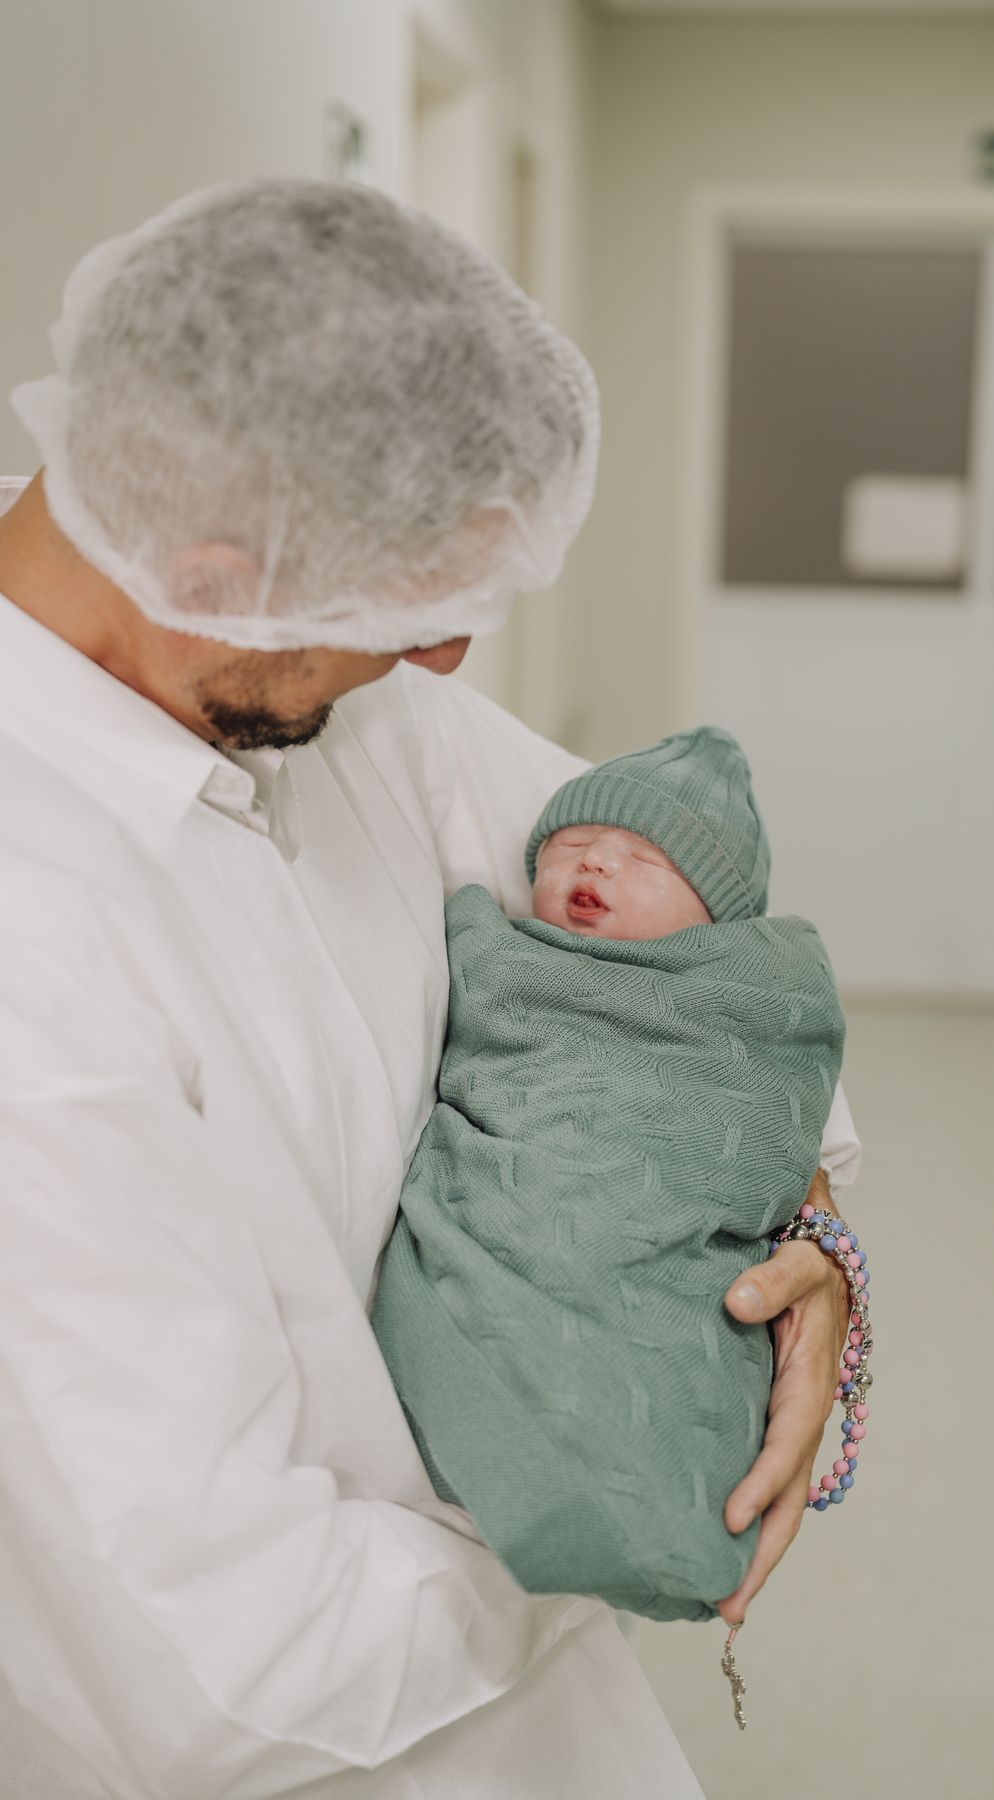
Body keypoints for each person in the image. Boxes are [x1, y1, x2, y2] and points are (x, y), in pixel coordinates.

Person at [0, 180, 859, 1799]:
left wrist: (801, 1242)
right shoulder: (35, 951)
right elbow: (220, 1666)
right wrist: (621, 1502)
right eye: (408, 619)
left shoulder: (325, 689)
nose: (448, 663)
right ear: (214, 576)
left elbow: (692, 955)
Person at [373, 725, 848, 1623]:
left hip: (656, 1217)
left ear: (717, 926)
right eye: (571, 847)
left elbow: (775, 1119)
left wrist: (822, 1236)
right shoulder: (503, 952)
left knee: (662, 1381)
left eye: (644, 859)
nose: (595, 862)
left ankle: (655, 1513)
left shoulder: (741, 1003)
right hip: (524, 1188)